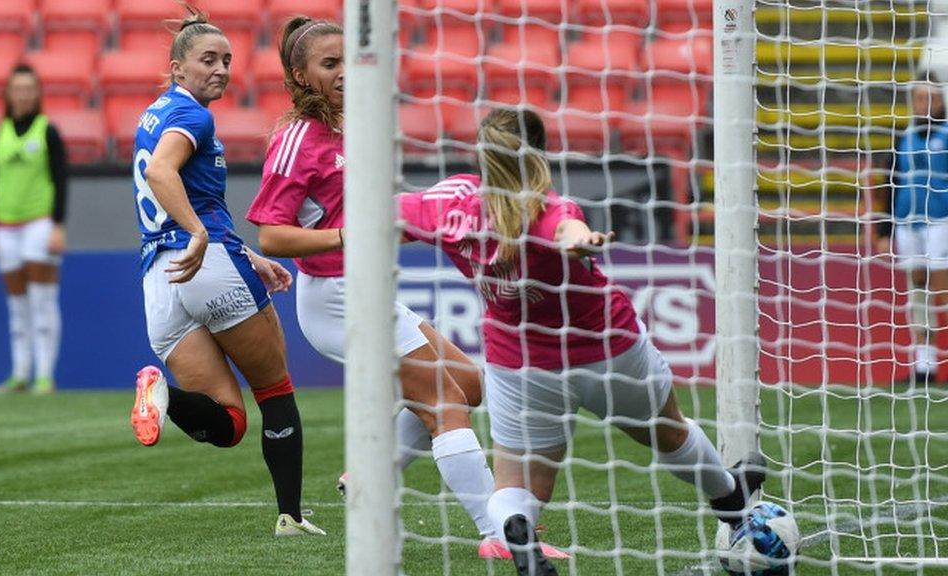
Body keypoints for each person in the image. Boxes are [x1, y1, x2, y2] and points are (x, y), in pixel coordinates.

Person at [245, 16, 566, 559]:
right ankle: (500, 536)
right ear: (300, 77)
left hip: (366, 288)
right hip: (336, 298)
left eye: (349, 59)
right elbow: (271, 235)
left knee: (466, 382)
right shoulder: (299, 136)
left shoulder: (354, 125)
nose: (345, 72)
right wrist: (349, 235)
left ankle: (369, 475)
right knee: (445, 400)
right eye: (330, 65)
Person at [398, 108, 768, 575]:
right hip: (605, 348)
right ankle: (731, 500)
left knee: (517, 485)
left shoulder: (448, 204)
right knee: (668, 430)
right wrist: (583, 241)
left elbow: (386, 211)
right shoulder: (549, 209)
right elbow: (567, 230)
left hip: (520, 363)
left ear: (482, 152)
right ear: (541, 153)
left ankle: (516, 527)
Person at [128, 6, 324, 537]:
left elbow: (174, 184)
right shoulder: (195, 115)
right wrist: (199, 234)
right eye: (207, 59)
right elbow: (162, 172)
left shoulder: (155, 111)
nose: (220, 69)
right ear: (177, 68)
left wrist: (249, 255)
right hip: (205, 262)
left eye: (227, 59)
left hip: (159, 281)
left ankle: (161, 396)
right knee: (275, 390)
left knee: (229, 424)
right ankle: (291, 516)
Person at [0, 63, 67, 395]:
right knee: (17, 306)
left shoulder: (48, 131)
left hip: (39, 223)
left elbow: (60, 179)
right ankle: (19, 372)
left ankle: (44, 375)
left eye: (29, 88)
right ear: (8, 93)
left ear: (38, 93)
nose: (23, 94)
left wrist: (58, 224)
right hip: (4, 227)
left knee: (43, 301)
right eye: (18, 88)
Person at [877, 72, 948, 385]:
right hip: (908, 222)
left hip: (941, 221)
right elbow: (889, 183)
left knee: (942, 290)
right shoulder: (901, 137)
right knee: (916, 289)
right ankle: (924, 365)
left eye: (932, 98)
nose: (926, 104)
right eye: (920, 98)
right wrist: (884, 230)